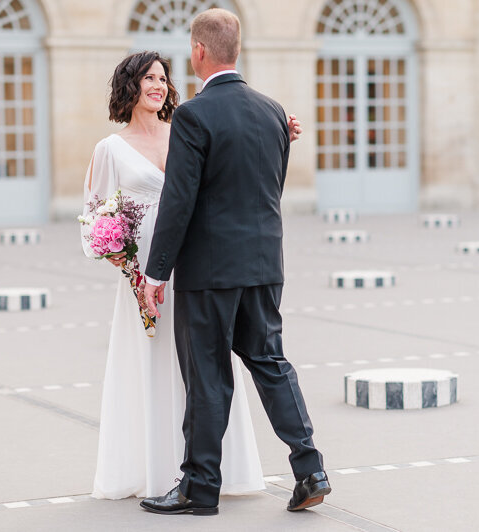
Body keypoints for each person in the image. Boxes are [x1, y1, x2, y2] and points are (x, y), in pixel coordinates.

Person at [81, 51, 302, 500]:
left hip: (200, 264)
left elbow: (229, 162)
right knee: (159, 366)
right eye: (148, 78)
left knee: (203, 370)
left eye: (163, 78)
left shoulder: (187, 123)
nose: (158, 85)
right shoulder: (110, 147)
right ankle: (158, 469)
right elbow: (95, 217)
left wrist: (282, 132)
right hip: (147, 270)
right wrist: (132, 268)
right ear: (130, 86)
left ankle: (206, 478)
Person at [141, 8, 329, 517]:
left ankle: (199, 488)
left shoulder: (194, 116)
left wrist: (155, 271)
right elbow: (272, 186)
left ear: (199, 52)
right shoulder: (274, 112)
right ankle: (309, 469)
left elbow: (179, 201)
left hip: (209, 271)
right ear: (237, 50)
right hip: (265, 262)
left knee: (207, 374)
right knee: (270, 363)